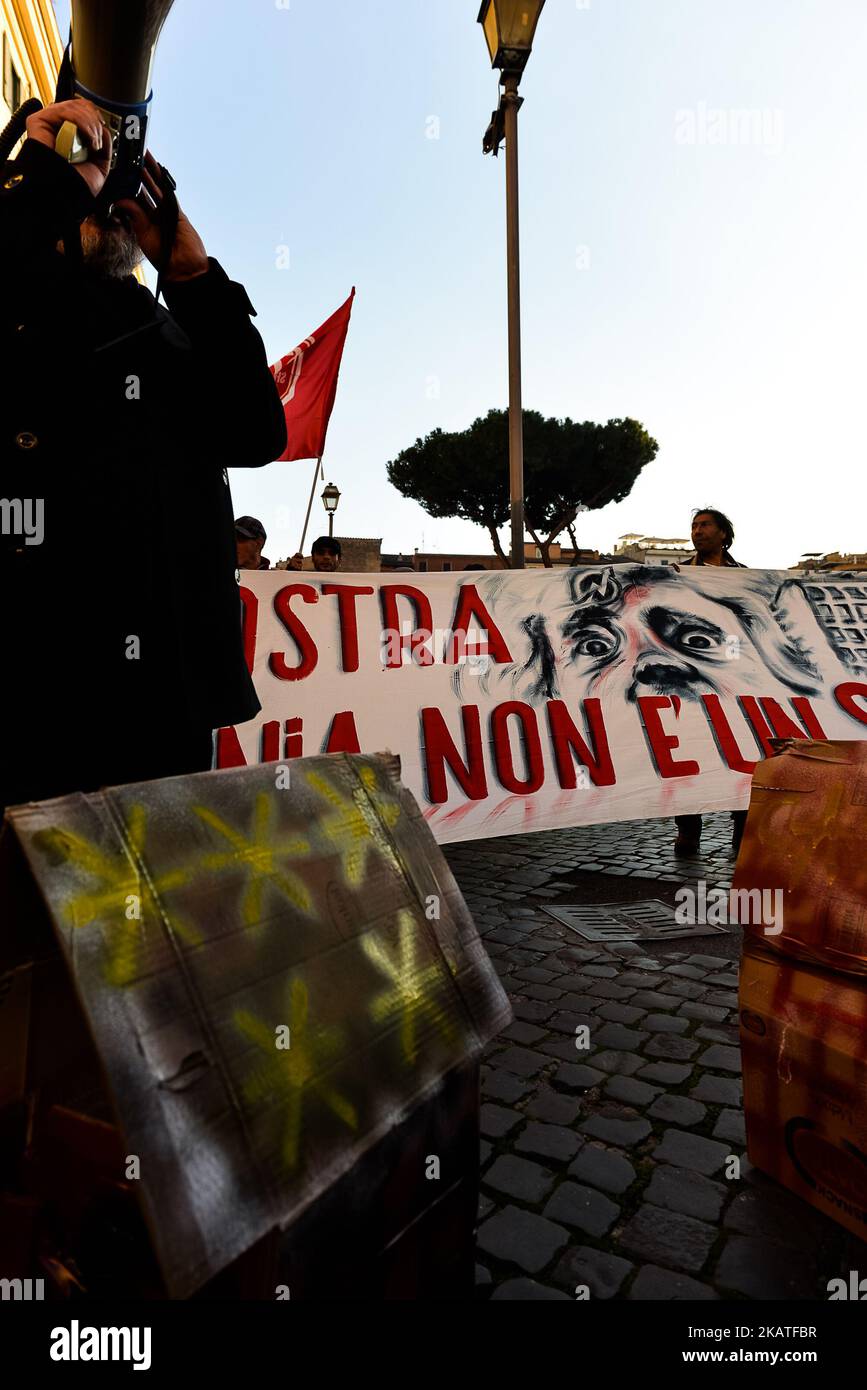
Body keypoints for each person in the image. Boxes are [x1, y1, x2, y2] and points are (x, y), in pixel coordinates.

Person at [0, 98, 287, 811]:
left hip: (163, 697)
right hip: (31, 686)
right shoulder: (18, 285)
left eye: (117, 200)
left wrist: (195, 278)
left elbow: (256, 434)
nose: (108, 208)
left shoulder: (164, 327)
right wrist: (46, 180)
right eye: (88, 192)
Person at [677, 508, 746, 853]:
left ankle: (743, 828)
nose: (697, 531)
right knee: (691, 752)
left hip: (738, 680)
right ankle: (688, 828)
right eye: (694, 526)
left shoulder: (746, 577)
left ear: (723, 534)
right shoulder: (678, 576)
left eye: (705, 525)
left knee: (745, 753)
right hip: (692, 680)